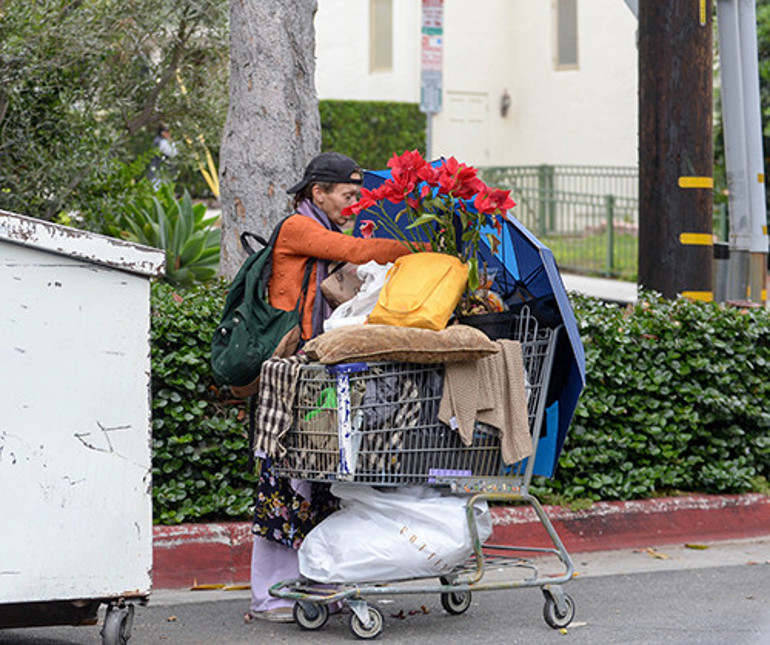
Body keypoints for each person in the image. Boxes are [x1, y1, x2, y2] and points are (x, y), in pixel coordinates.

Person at [247, 152, 416, 623]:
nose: (355, 204)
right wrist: (416, 253)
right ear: (317, 192)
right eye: (348, 195)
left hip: (316, 370)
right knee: (283, 479)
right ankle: (271, 594)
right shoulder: (298, 228)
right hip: (288, 370)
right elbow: (355, 255)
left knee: (320, 475)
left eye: (358, 196)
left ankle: (320, 582)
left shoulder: (325, 229)